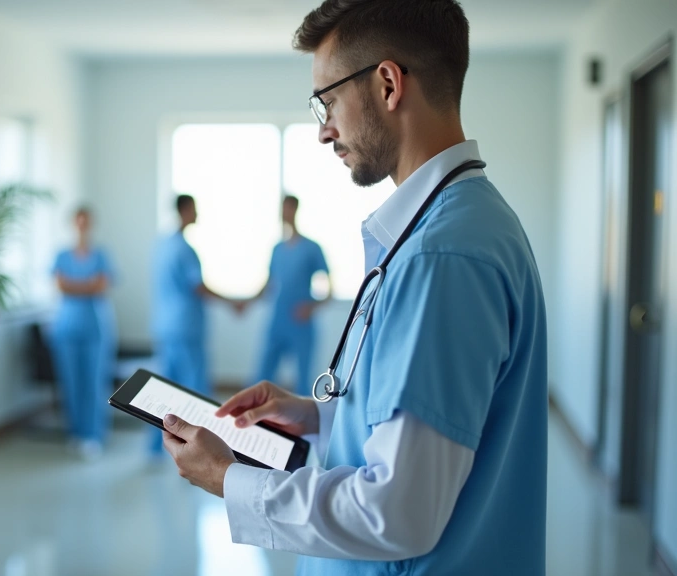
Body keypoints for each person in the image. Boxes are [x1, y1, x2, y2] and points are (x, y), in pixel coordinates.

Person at [158, 2, 548, 575]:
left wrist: (229, 480)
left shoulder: (442, 255)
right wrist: (321, 417)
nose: (322, 131)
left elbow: (396, 512)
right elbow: (438, 432)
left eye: (328, 100)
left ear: (388, 84)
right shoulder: (460, 223)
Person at [149, 194, 243, 455]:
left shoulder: (162, 246)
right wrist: (231, 302)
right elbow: (198, 288)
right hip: (186, 329)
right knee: (194, 392)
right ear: (185, 210)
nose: (197, 213)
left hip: (166, 327)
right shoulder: (184, 249)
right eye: (195, 209)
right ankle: (198, 450)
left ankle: (155, 449)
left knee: (163, 391)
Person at [50, 207, 118, 460]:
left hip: (95, 328)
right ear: (72, 224)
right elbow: (60, 286)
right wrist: (87, 285)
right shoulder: (61, 255)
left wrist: (74, 286)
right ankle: (75, 433)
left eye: (86, 222)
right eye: (78, 222)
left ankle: (94, 435)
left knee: (94, 381)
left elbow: (101, 285)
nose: (82, 226)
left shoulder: (101, 255)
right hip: (66, 328)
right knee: (71, 383)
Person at [248, 195, 331, 396]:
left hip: (300, 322)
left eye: (288, 208)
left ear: (295, 210)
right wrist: (245, 303)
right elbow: (268, 284)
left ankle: (304, 424)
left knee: (303, 379)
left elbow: (329, 289)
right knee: (262, 374)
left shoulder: (311, 248)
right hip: (278, 319)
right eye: (282, 209)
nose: (284, 213)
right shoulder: (277, 249)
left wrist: (311, 307)